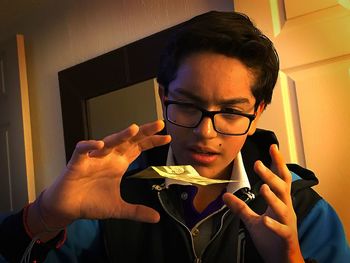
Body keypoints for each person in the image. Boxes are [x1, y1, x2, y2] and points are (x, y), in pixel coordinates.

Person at [1, 11, 349, 263]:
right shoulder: (114, 192)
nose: (204, 132)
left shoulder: (301, 208)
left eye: (230, 112)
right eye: (186, 105)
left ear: (257, 112)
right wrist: (44, 215)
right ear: (164, 97)